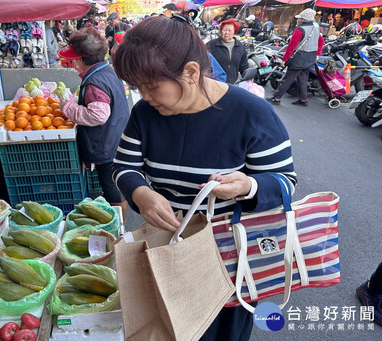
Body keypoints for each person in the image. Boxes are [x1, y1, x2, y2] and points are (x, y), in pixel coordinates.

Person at [111, 14, 296, 341]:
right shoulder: (145, 113)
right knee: (167, 325)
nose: (145, 97)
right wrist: (141, 193)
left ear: (191, 73)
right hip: (167, 249)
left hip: (229, 260)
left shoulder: (251, 114)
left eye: (152, 87)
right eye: (138, 88)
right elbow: (124, 166)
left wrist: (248, 186)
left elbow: (284, 183)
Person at [57, 27, 130, 218]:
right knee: (111, 179)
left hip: (106, 143)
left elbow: (98, 115)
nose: (72, 63)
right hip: (115, 137)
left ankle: (120, 218)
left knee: (108, 181)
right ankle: (117, 211)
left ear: (82, 59)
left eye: (74, 59)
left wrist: (67, 107)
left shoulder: (94, 82)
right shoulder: (106, 70)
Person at [267, 8, 324, 106]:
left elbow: (291, 47)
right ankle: (303, 99)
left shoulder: (299, 30)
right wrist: (318, 54)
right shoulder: (315, 29)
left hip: (299, 58)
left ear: (302, 20)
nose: (297, 20)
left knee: (287, 79)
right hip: (310, 58)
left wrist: (284, 60)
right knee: (303, 79)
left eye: (299, 18)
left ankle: (276, 97)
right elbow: (321, 42)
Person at [206, 19, 249, 84]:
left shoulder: (240, 47)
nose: (227, 33)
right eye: (224, 30)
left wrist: (248, 78)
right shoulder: (211, 45)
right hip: (214, 84)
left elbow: (243, 66)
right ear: (221, 31)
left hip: (232, 85)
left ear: (234, 31)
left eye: (230, 30)